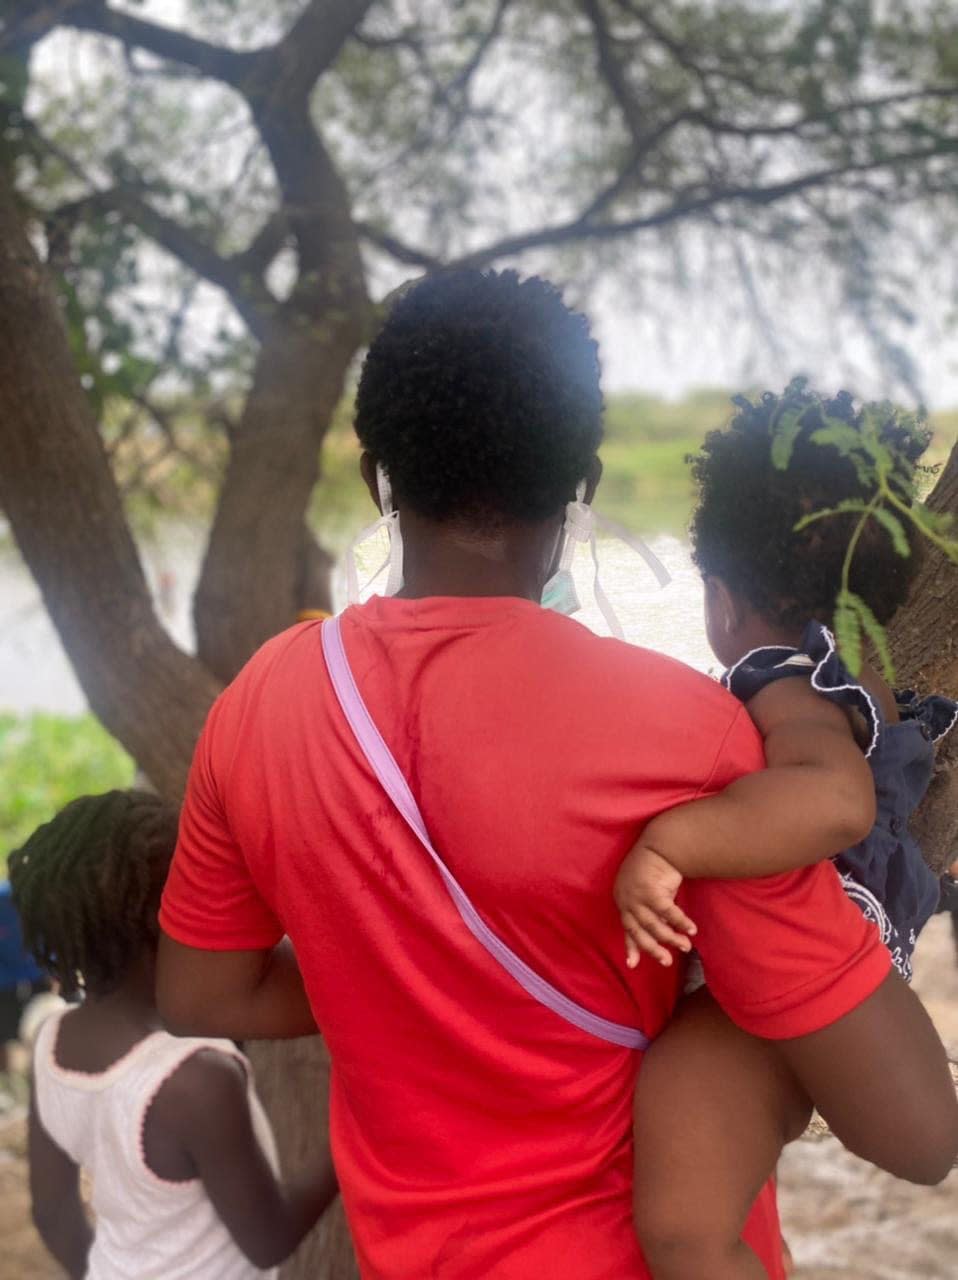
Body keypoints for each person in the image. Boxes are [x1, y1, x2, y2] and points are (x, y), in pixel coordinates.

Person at [157, 270, 957, 1280]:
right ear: (580, 486)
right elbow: (915, 1133)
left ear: (375, 479)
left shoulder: (256, 705)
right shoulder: (690, 742)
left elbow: (200, 989)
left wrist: (399, 975)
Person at [613, 386, 958, 1278]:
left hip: (785, 976)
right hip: (842, 975)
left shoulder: (783, 677)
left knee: (685, 1233)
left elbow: (833, 803)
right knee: (695, 1227)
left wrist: (671, 843)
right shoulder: (862, 679)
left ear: (723, 601)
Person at [8, 791, 336, 1280]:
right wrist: (351, 1133)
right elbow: (269, 1242)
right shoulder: (196, 1080)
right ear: (169, 911)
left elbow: (52, 1214)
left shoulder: (53, 1043)